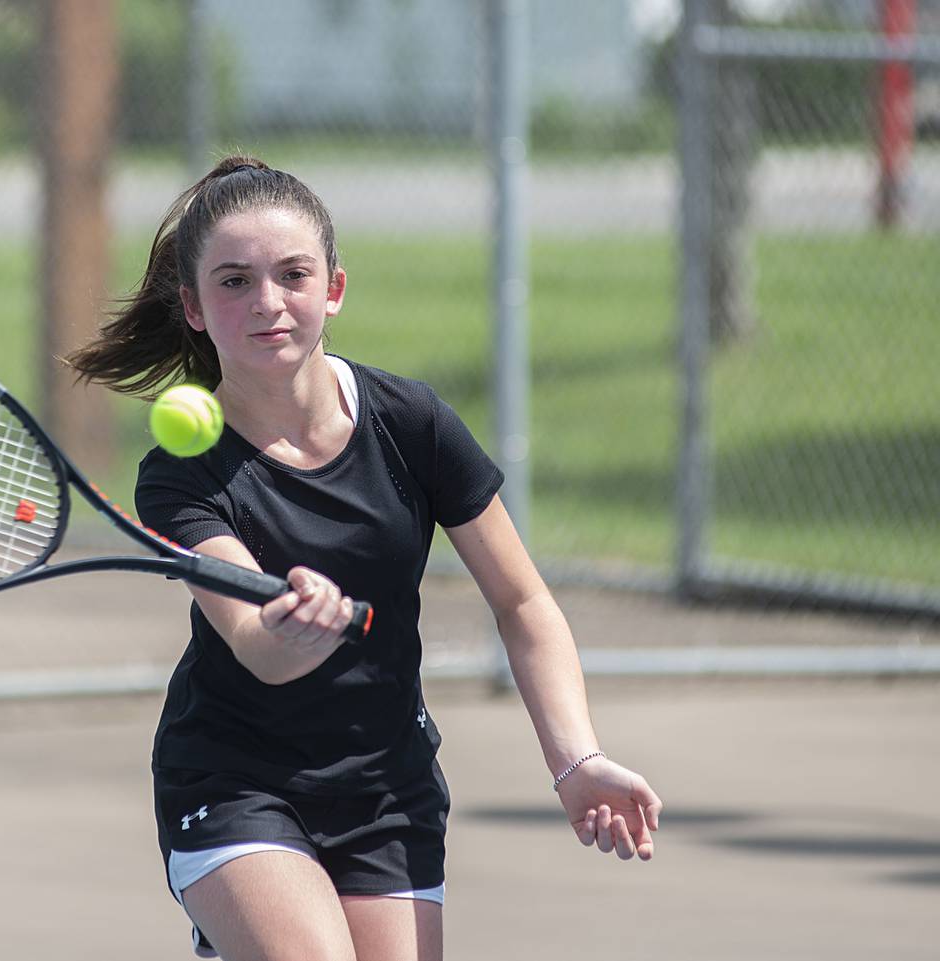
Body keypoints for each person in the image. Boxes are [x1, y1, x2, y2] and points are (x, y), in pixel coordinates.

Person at [66, 156, 663, 961]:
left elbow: (523, 603)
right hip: (234, 777)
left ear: (334, 289)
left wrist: (576, 759)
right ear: (194, 308)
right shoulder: (181, 472)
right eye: (235, 281)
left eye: (292, 274)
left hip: (386, 783)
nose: (268, 302)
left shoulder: (410, 422)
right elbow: (257, 646)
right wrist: (296, 625)